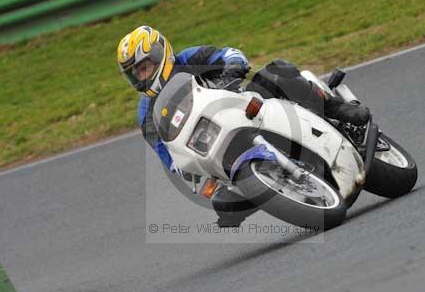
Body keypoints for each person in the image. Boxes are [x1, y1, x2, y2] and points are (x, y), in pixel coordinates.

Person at [117, 25, 370, 224]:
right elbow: (167, 155)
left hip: (244, 106)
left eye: (145, 67)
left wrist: (233, 66)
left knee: (277, 71)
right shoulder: (145, 114)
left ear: (161, 53)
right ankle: (276, 189)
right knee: (222, 202)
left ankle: (337, 109)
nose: (143, 76)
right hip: (213, 147)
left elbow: (228, 53)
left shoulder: (190, 58)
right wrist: (188, 172)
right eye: (135, 73)